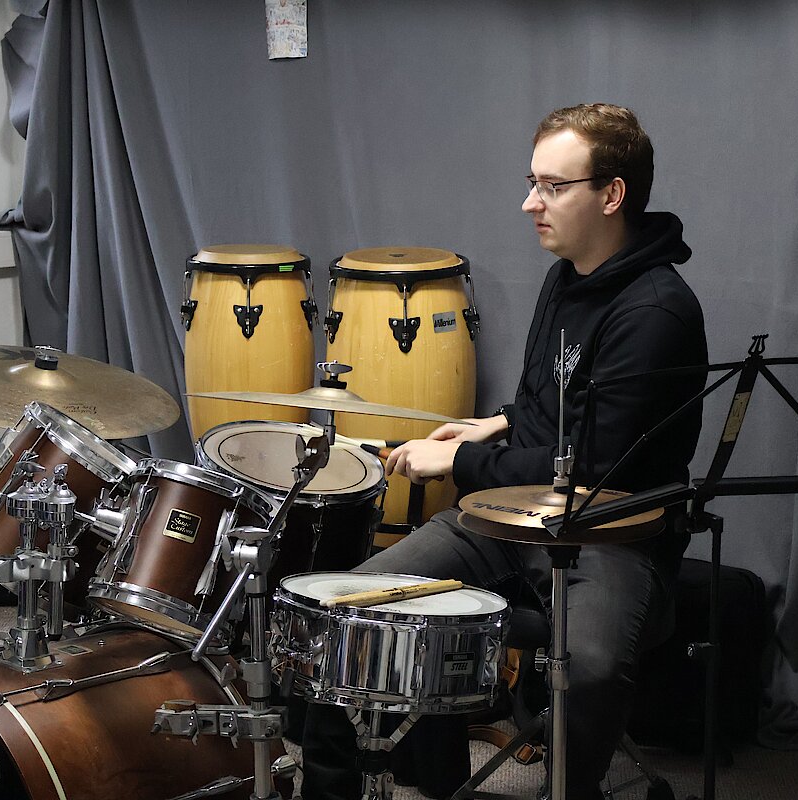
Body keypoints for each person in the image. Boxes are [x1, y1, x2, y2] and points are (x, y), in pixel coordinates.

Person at [300, 103, 708, 800]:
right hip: (510, 519)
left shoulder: (655, 313)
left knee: (592, 666)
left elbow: (591, 470)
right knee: (346, 610)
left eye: (553, 186)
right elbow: (555, 406)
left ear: (612, 194)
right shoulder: (567, 274)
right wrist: (494, 424)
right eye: (532, 182)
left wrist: (457, 464)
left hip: (609, 537)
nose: (530, 203)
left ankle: (568, 790)